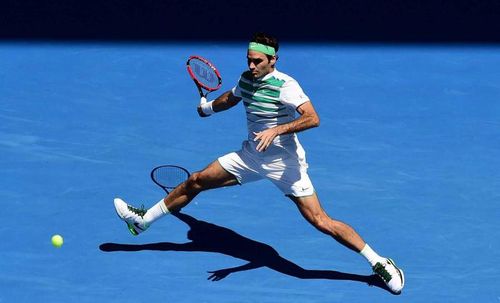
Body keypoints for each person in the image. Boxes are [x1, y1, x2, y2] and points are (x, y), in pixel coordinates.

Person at [113, 32, 404, 294]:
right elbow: (232, 97)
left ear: (273, 60)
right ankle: (142, 221)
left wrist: (276, 129)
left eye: (258, 61)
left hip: (285, 165)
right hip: (250, 157)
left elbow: (313, 118)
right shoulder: (246, 78)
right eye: (249, 60)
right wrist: (208, 109)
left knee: (320, 222)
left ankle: (379, 262)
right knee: (196, 181)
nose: (252, 66)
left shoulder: (286, 86)